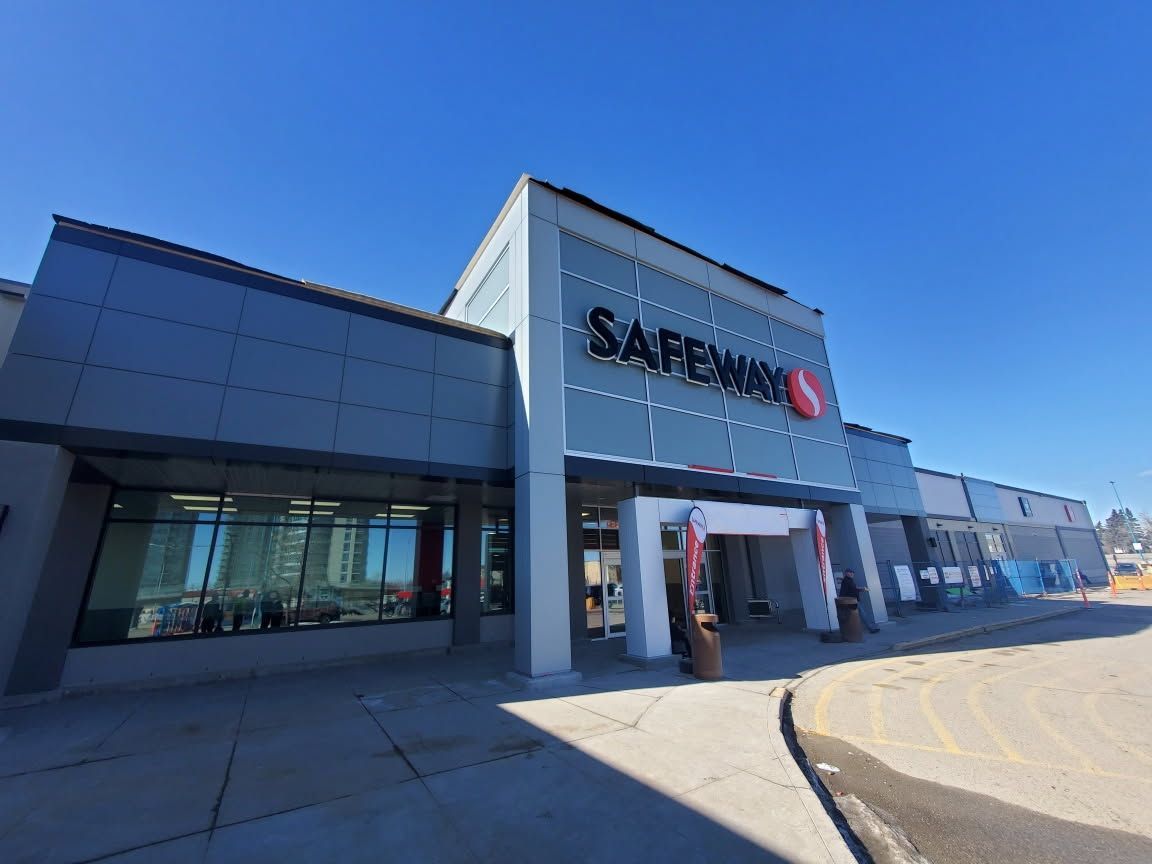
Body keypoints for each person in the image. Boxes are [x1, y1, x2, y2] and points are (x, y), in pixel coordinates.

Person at [839, 569, 880, 633]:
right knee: (863, 614)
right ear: (846, 573)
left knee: (853, 615)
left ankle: (850, 631)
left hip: (851, 600)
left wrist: (861, 589)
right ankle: (871, 628)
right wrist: (863, 589)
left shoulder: (848, 580)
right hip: (852, 601)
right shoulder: (847, 580)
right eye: (850, 573)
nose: (852, 574)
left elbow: (852, 589)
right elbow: (853, 589)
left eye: (853, 573)